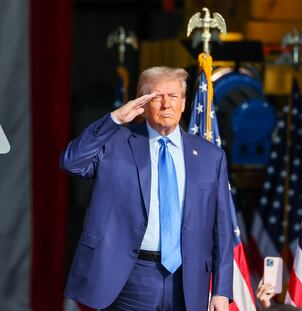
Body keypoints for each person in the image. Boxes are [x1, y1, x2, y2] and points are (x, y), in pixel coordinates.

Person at [61, 66, 234, 311]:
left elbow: (223, 230)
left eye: (173, 96)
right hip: (130, 277)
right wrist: (115, 120)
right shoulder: (116, 143)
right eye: (156, 97)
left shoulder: (210, 157)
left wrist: (221, 290)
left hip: (187, 280)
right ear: (141, 103)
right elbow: (72, 162)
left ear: (184, 103)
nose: (166, 105)